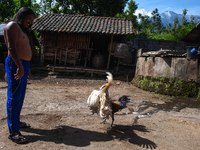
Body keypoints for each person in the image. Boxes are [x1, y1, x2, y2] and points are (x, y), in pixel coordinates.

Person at [4, 7, 35, 144]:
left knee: (20, 96)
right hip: (16, 64)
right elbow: (12, 48)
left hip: (23, 64)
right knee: (14, 96)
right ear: (22, 15)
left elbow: (24, 48)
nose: (30, 21)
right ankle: (13, 131)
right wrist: (20, 66)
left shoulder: (22, 29)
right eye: (29, 18)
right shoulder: (12, 26)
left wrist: (26, 68)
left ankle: (16, 122)